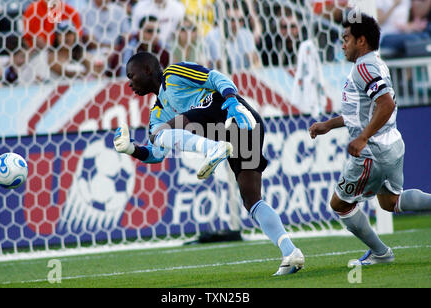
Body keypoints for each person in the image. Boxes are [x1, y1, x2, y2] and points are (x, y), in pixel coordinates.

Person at [113, 51, 305, 276]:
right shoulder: (157, 111)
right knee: (251, 199)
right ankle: (290, 252)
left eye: (131, 76)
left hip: (234, 115)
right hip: (235, 135)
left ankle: (213, 149)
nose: (129, 83)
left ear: (147, 70)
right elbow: (157, 153)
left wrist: (232, 100)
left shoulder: (174, 74)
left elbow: (217, 78)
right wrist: (130, 149)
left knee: (161, 132)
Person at [309, 12, 431, 266]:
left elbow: (385, 104)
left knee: (339, 204)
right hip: (393, 144)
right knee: (390, 202)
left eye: (346, 38)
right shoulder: (375, 63)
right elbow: (363, 112)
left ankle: (381, 253)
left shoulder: (363, 67)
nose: (342, 44)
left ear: (361, 41)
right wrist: (328, 125)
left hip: (372, 152)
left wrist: (363, 138)